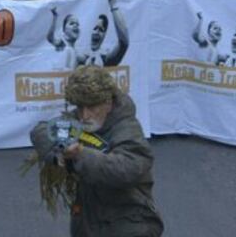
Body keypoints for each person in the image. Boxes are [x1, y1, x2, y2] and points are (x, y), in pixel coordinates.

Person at [29, 66, 164, 237]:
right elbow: (41, 131)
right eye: (80, 107)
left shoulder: (128, 129)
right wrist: (59, 153)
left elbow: (126, 170)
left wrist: (80, 154)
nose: (84, 116)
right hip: (89, 218)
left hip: (128, 222)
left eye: (92, 107)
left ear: (108, 103)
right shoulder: (80, 119)